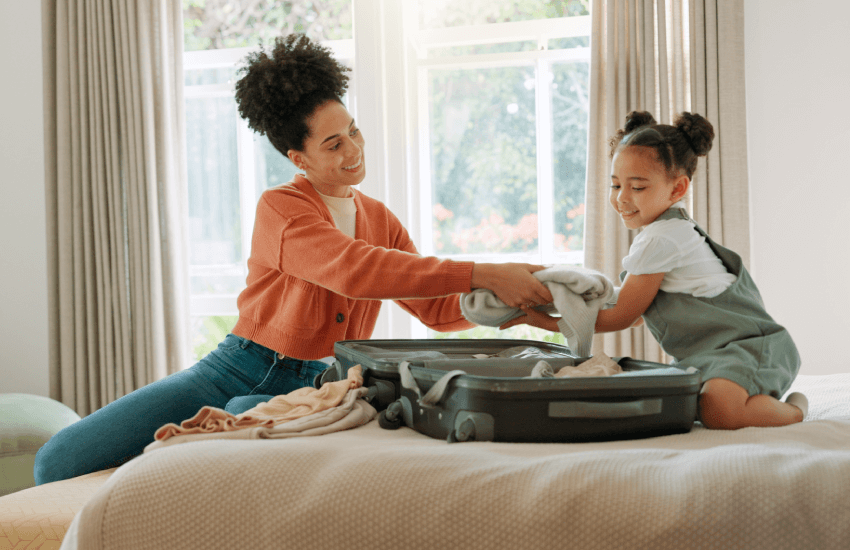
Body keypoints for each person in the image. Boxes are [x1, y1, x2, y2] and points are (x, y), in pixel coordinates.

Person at [34, 34, 553, 485]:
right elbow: (354, 268)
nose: (353, 148)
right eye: (333, 143)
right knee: (57, 461)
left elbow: (437, 310)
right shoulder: (282, 208)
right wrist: (484, 270)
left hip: (322, 387)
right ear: (299, 159)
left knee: (229, 447)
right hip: (237, 368)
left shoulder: (380, 217)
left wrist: (515, 305)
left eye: (353, 130)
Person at [502, 110, 806, 430]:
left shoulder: (662, 238)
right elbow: (635, 311)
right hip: (711, 355)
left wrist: (547, 323)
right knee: (685, 403)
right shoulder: (665, 231)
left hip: (750, 349)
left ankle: (796, 410)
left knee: (720, 411)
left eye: (638, 187)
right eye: (615, 184)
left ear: (677, 189)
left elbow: (623, 316)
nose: (621, 198)